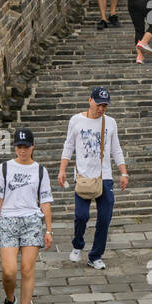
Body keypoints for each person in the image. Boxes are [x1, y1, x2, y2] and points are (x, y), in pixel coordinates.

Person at [0, 128, 54, 304]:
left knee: (27, 269)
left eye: (26, 147)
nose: (22, 150)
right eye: (19, 146)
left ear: (32, 147)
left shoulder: (40, 171)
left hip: (31, 221)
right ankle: (10, 298)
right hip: (7, 221)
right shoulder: (4, 168)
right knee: (9, 271)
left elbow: (45, 202)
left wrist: (49, 230)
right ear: (14, 147)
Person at [57, 87, 129, 270]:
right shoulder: (76, 120)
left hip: (104, 177)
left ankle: (95, 255)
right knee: (81, 216)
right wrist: (62, 170)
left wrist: (123, 172)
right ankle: (77, 244)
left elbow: (116, 149)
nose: (101, 108)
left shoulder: (110, 123)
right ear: (90, 100)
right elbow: (68, 146)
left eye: (105, 105)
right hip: (83, 177)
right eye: (99, 104)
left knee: (104, 218)